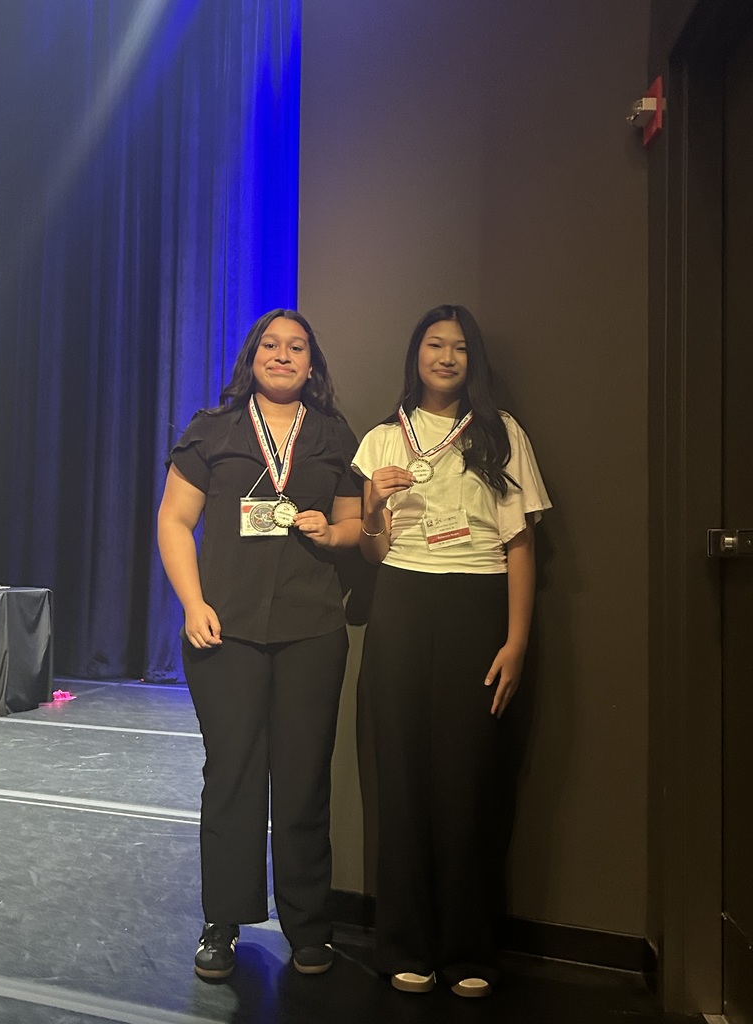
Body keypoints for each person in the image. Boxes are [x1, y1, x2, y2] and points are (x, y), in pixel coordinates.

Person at [353, 304, 551, 998]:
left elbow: (520, 543)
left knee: (467, 782)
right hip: (402, 600)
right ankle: (405, 943)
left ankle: (469, 950)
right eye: (434, 345)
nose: (446, 356)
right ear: (415, 355)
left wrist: (517, 640)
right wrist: (373, 507)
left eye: (459, 347)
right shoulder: (382, 438)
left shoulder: (502, 434)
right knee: (401, 778)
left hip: (478, 602)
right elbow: (374, 552)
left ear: (474, 361)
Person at [157, 309, 362, 980]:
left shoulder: (333, 434)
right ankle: (222, 923)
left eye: (297, 347)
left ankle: (309, 926)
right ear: (252, 357)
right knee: (233, 776)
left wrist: (335, 534)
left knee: (304, 782)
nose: (283, 355)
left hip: (312, 631)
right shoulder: (211, 430)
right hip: (227, 630)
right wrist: (192, 603)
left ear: (312, 364)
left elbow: (355, 523)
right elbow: (175, 519)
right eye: (271, 345)